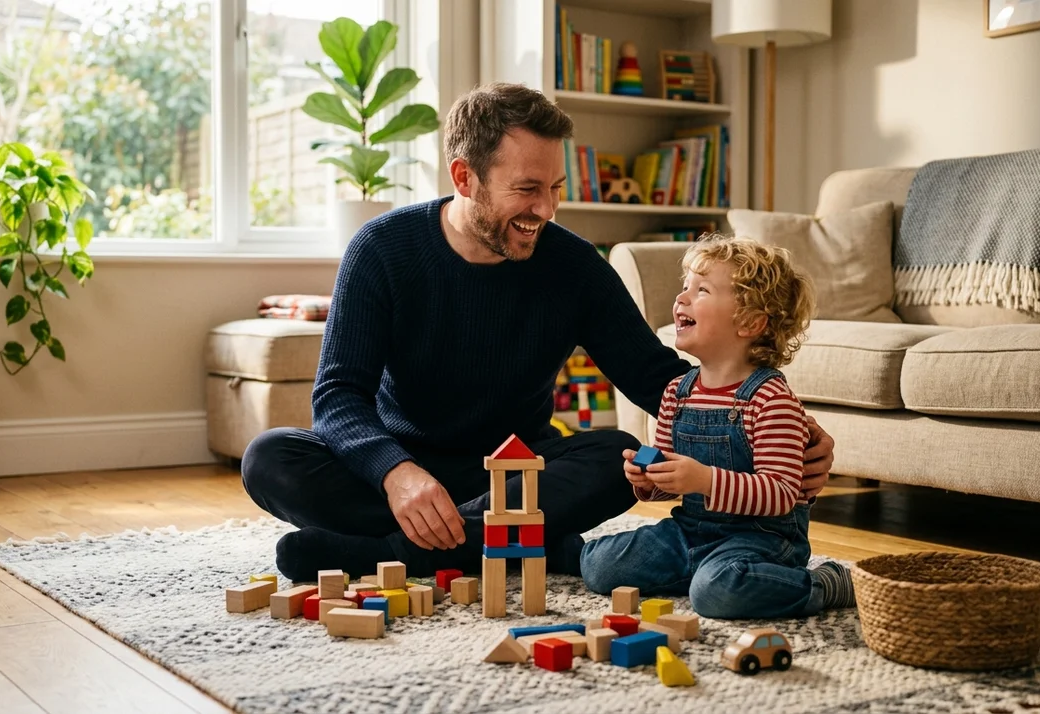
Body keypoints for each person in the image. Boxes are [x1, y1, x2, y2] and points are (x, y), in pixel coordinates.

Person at [239, 83, 835, 581]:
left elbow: (656, 377)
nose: (546, 210)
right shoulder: (382, 250)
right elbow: (338, 397)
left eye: (554, 189)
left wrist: (781, 424)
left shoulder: (573, 266)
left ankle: (393, 554)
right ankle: (499, 544)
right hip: (403, 463)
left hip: (515, 470)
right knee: (269, 458)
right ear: (464, 176)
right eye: (527, 189)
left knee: (619, 456)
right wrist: (398, 475)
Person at [580, 235, 855, 618]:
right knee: (599, 565)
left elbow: (781, 493)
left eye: (702, 289)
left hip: (761, 540)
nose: (681, 298)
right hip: (692, 531)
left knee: (718, 593)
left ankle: (824, 585)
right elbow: (670, 483)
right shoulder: (677, 392)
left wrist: (705, 481)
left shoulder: (771, 399)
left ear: (750, 322)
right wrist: (648, 481)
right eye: (685, 286)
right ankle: (699, 574)